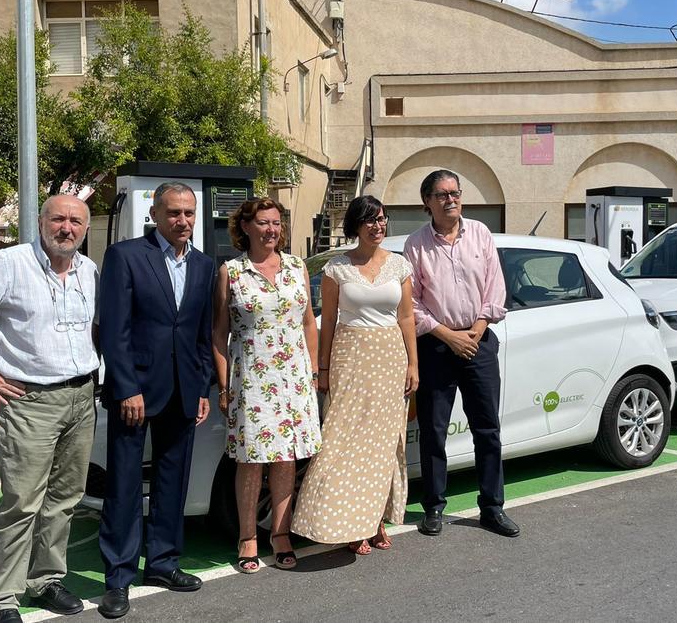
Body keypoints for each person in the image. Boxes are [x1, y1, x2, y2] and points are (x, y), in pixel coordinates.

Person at [0, 195, 98, 623]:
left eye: (76, 221)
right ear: (41, 221)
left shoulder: (89, 270)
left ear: (84, 228)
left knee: (65, 499)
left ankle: (45, 580)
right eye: (58, 218)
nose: (67, 228)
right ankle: (5, 599)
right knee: (22, 502)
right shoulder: (9, 264)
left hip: (81, 397)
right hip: (29, 402)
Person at [97, 182, 215, 619]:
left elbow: (201, 333)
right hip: (136, 393)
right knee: (125, 485)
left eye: (188, 213)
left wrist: (202, 388)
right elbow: (113, 328)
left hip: (184, 390)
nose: (182, 221)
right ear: (156, 213)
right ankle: (118, 577)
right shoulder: (126, 256)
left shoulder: (204, 265)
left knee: (173, 481)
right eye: (174, 213)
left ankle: (163, 563)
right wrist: (126, 386)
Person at [292, 195, 419, 555]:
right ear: (355, 226)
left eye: (381, 219)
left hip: (390, 360)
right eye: (369, 221)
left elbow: (406, 317)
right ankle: (350, 523)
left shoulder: (399, 265)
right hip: (350, 358)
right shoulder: (336, 269)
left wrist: (413, 364)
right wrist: (324, 368)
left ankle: (374, 520)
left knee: (382, 446)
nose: (377, 226)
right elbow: (327, 321)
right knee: (343, 443)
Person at [403, 169, 519, 538]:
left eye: (455, 192)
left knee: (487, 429)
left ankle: (492, 508)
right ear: (427, 202)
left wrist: (477, 330)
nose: (451, 199)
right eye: (442, 194)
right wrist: (448, 336)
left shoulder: (481, 234)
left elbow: (495, 290)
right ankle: (434, 507)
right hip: (437, 346)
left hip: (479, 341)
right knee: (434, 432)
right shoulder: (416, 245)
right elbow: (412, 304)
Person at [213, 198, 321, 573]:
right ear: (245, 227)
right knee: (251, 460)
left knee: (287, 458)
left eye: (276, 223)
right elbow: (219, 332)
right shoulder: (232, 271)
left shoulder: (296, 267)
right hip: (253, 381)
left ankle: (280, 533)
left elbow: (308, 322)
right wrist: (224, 386)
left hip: (294, 380)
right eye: (262, 223)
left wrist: (314, 370)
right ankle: (247, 536)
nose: (271, 230)